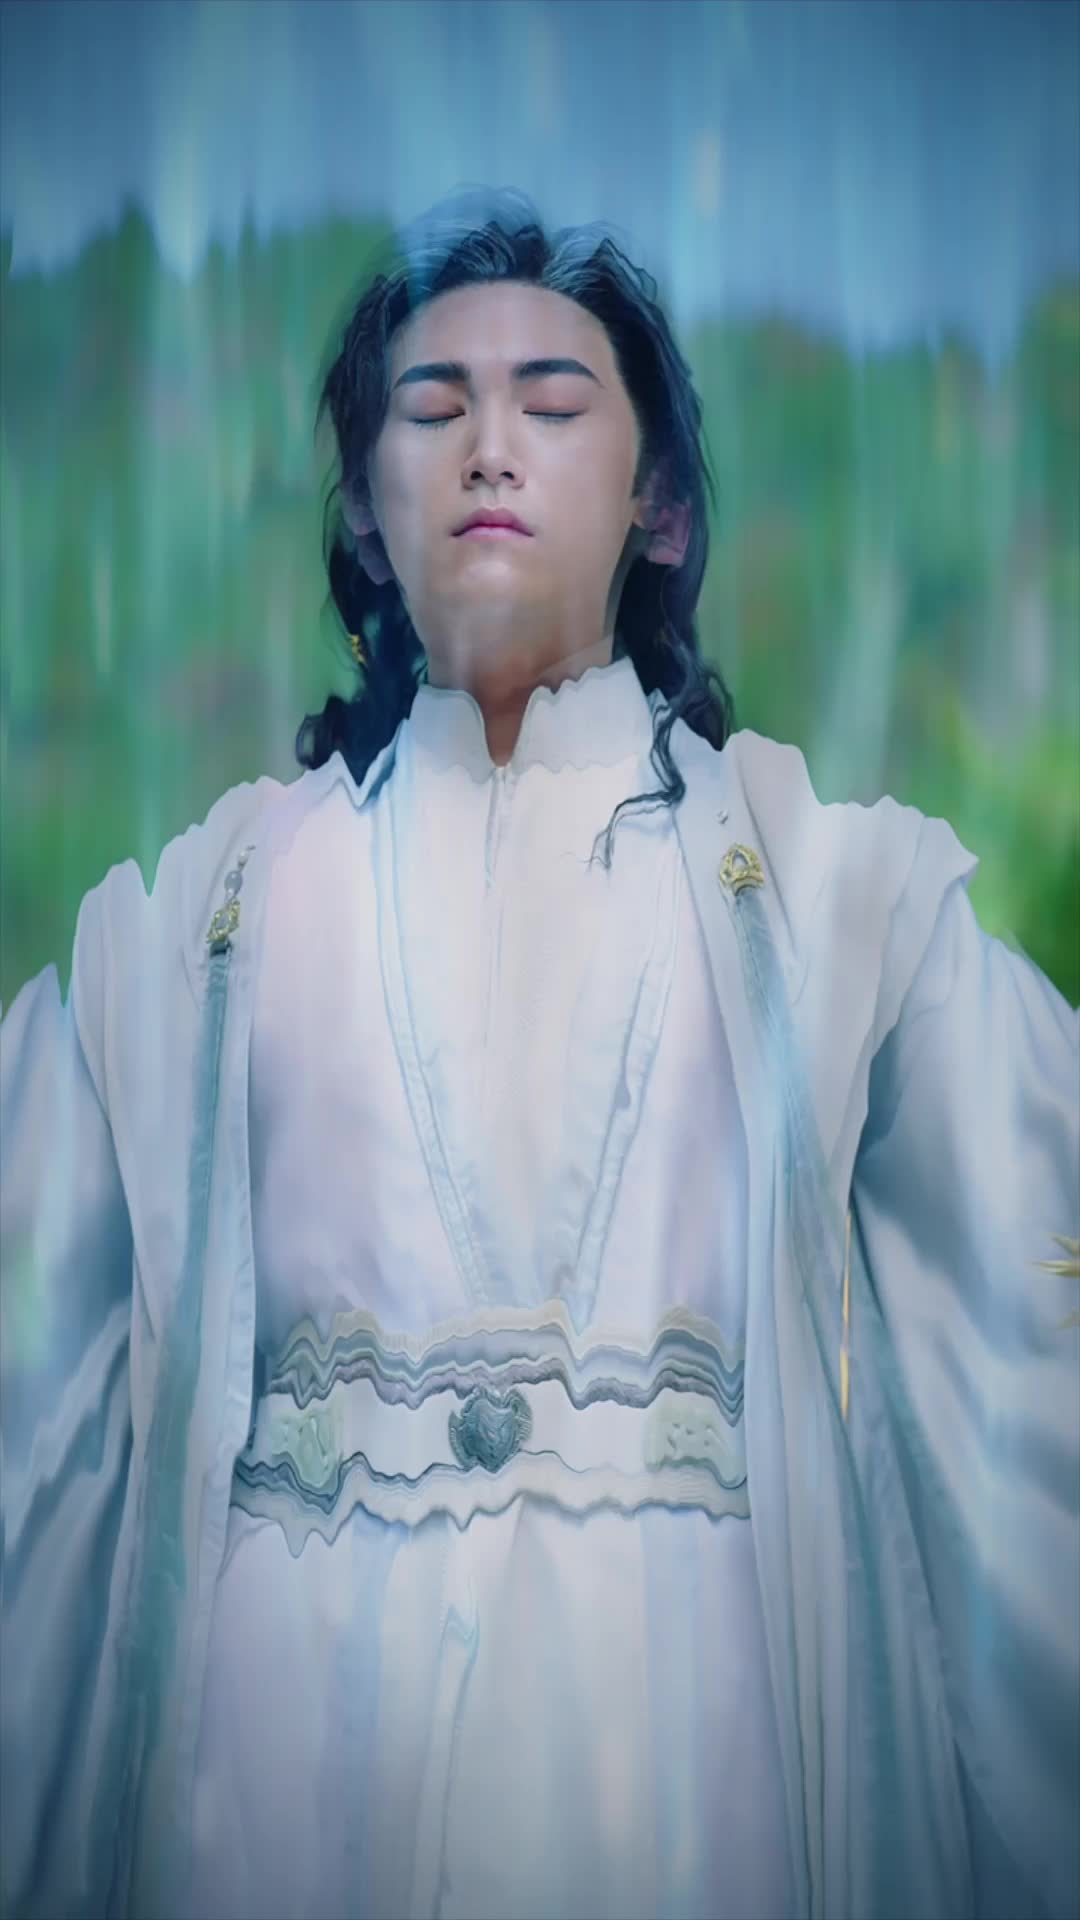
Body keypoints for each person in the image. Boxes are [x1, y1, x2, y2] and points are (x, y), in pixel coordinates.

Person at [1, 185, 1077, 1920]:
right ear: (366, 513)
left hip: (687, 1720)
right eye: (432, 408)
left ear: (659, 505)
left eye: (555, 405)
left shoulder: (817, 887)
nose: (490, 446)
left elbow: (1042, 1206)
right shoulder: (212, 913)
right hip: (286, 1735)